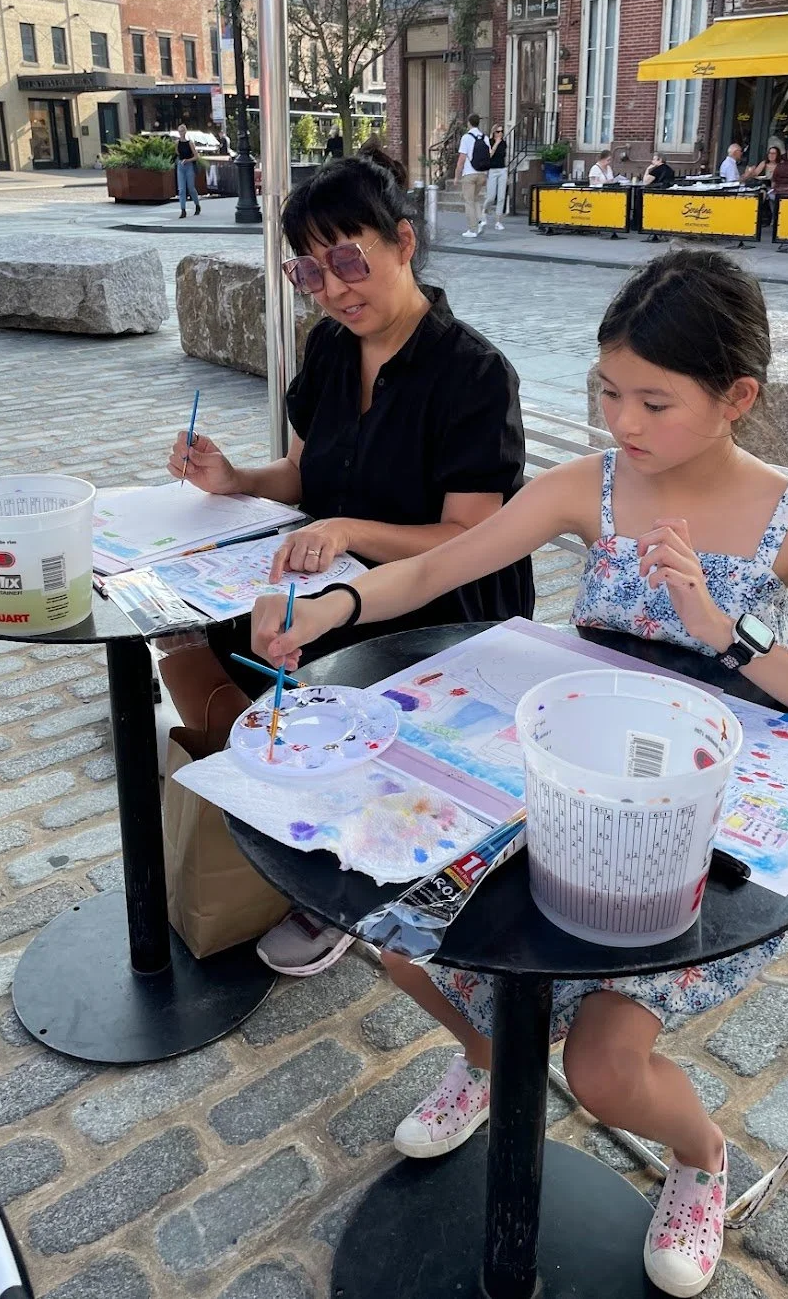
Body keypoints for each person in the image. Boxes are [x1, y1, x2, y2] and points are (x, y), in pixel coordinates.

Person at [252, 246, 788, 1297]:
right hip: (563, 791)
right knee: (400, 933)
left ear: (736, 398)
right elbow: (435, 567)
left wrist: (725, 632)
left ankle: (701, 1158)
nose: (622, 422)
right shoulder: (588, 486)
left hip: (698, 833)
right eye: (607, 391)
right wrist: (330, 608)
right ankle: (485, 1059)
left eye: (654, 401)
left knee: (601, 1067)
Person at [160, 145, 535, 974]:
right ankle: (279, 812)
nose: (332, 289)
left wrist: (348, 529)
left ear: (403, 242)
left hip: (446, 608)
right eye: (309, 272)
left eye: (348, 260)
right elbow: (303, 475)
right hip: (337, 582)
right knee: (206, 630)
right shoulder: (329, 349)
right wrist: (234, 478)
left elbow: (469, 537)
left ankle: (341, 870)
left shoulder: (473, 374)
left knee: (309, 663)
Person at [454, 114, 491, 238]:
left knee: (469, 201)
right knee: (475, 199)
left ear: (469, 123)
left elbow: (462, 159)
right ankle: (481, 220)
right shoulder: (485, 137)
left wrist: (457, 176)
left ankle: (472, 229)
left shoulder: (466, 137)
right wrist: (487, 174)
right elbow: (488, 156)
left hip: (469, 174)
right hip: (482, 173)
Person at [483, 124, 508, 228]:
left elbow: (504, 156)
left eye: (502, 131)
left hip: (502, 170)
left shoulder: (504, 143)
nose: (500, 133)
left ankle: (498, 222)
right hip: (492, 170)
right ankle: (484, 212)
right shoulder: (489, 142)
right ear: (493, 132)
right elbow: (489, 156)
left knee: (501, 197)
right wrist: (496, 143)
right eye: (498, 131)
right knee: (491, 197)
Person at [174, 124, 201, 219]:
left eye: (182, 131)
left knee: (191, 187)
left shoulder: (190, 143)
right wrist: (181, 161)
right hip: (181, 165)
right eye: (179, 131)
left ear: (185, 131)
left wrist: (188, 160)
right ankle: (183, 210)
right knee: (181, 189)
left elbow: (196, 156)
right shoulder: (177, 143)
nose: (181, 133)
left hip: (189, 165)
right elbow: (177, 153)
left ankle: (197, 205)